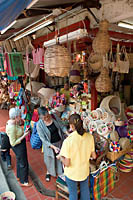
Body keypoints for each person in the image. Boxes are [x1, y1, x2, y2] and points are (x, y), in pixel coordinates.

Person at [57, 114, 96, 200]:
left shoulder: (68, 141)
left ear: (71, 126)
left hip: (72, 174)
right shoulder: (90, 137)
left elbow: (67, 163)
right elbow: (94, 156)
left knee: (73, 194)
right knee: (85, 190)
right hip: (84, 171)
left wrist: (60, 157)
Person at [37, 106, 68, 182]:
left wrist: (67, 133)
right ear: (40, 117)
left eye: (47, 116)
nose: (46, 118)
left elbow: (62, 126)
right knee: (50, 159)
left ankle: (60, 173)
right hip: (49, 145)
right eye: (44, 118)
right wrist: (53, 147)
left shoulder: (54, 116)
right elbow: (43, 139)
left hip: (59, 141)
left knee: (60, 158)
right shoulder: (39, 125)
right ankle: (49, 172)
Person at [6, 107, 32, 187]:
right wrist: (24, 135)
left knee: (19, 160)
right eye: (20, 116)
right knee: (23, 162)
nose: (21, 118)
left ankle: (19, 176)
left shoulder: (13, 122)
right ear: (15, 117)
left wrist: (23, 132)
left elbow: (17, 132)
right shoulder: (11, 127)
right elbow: (13, 143)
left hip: (20, 144)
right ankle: (24, 181)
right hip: (18, 146)